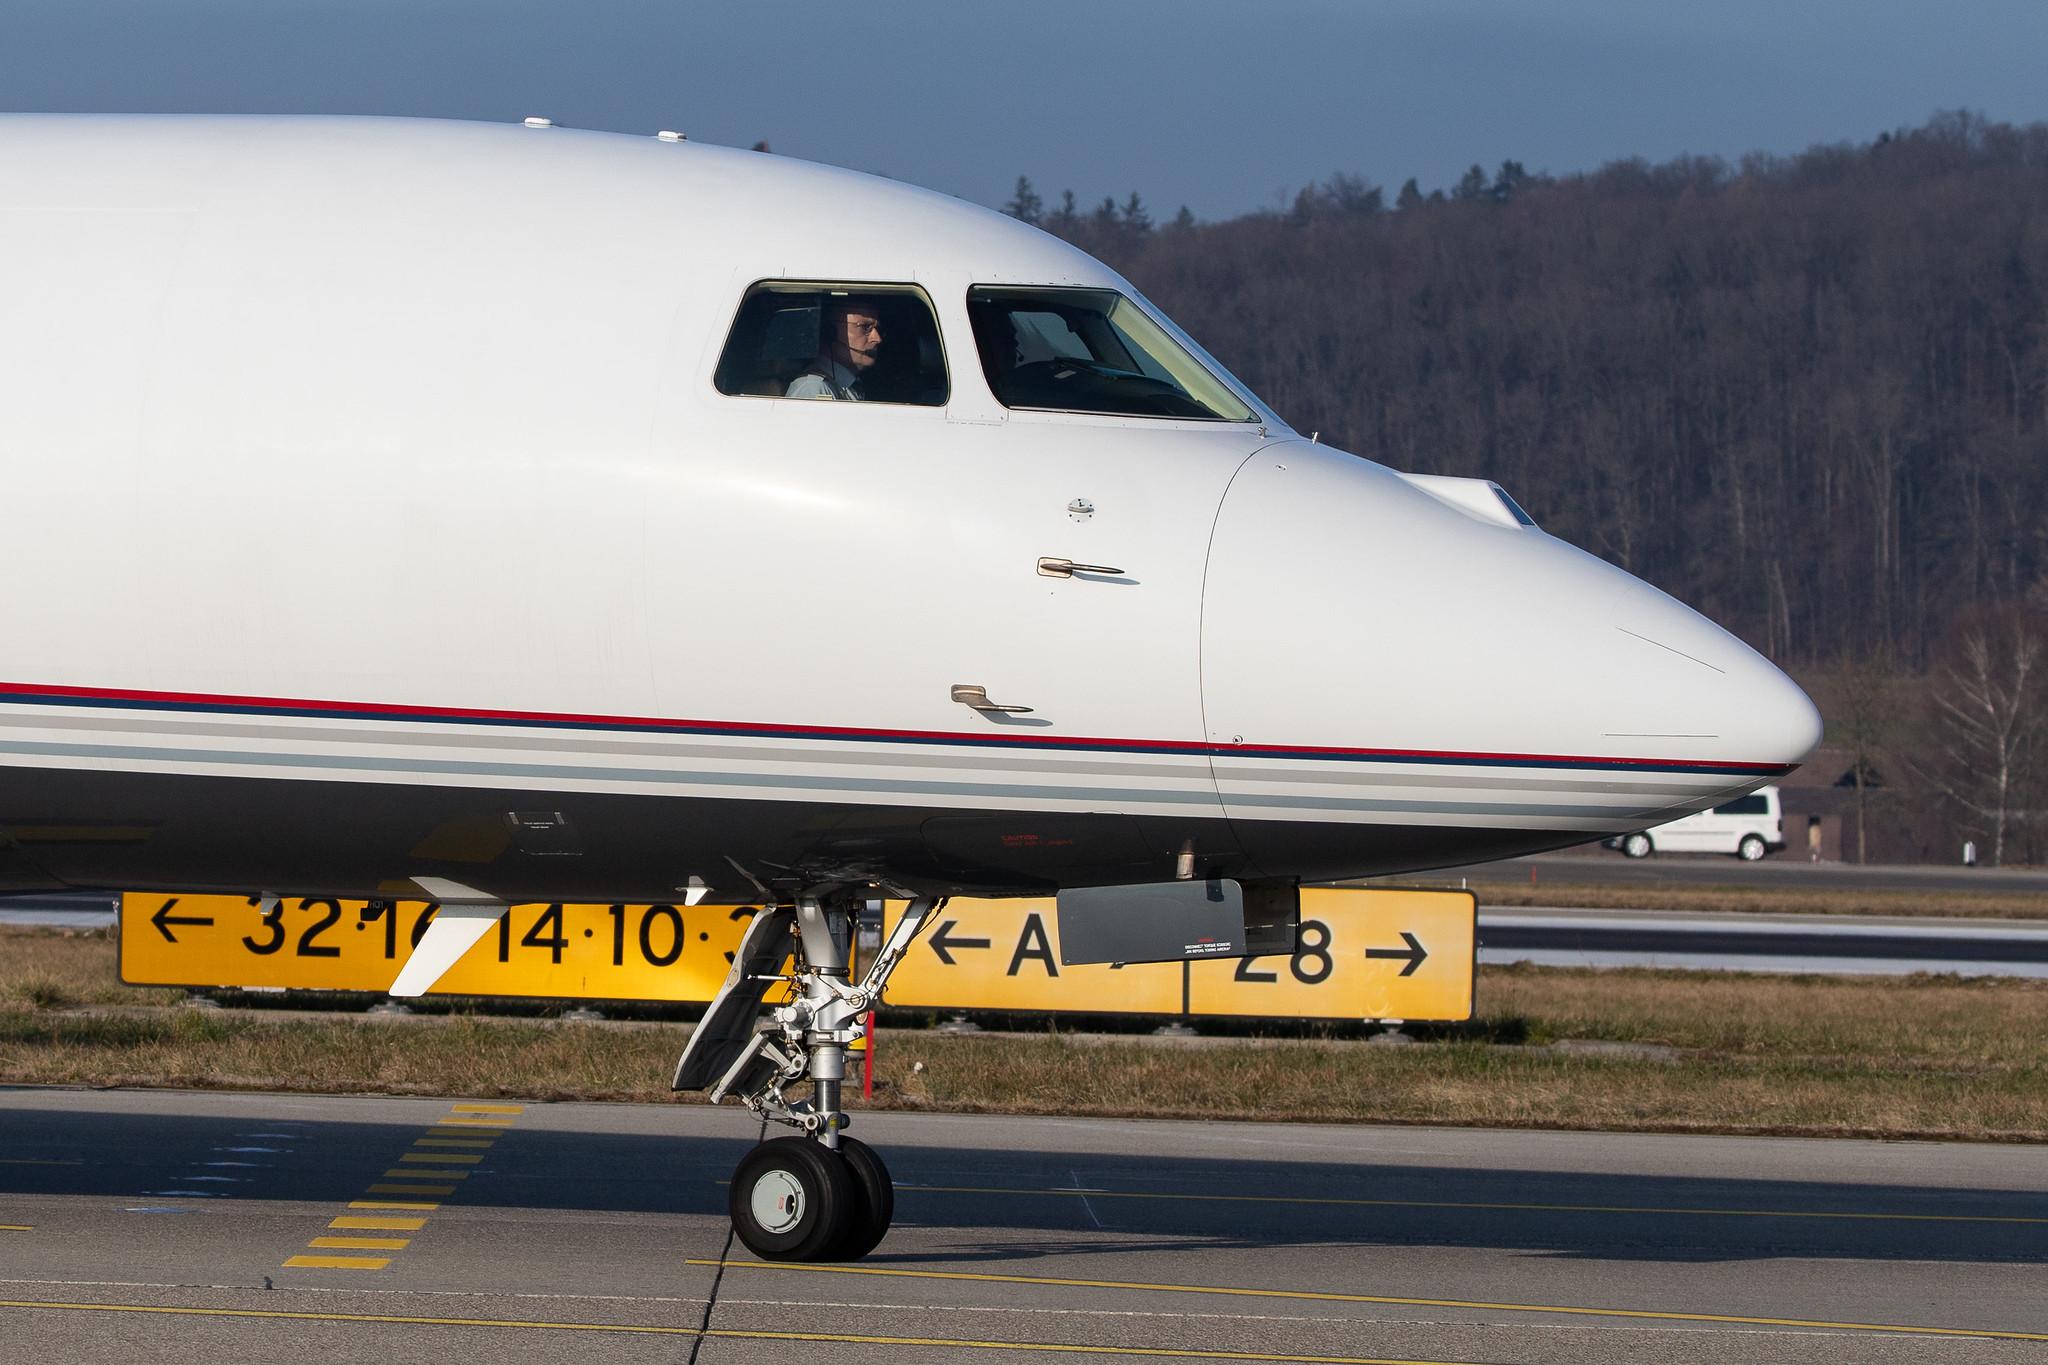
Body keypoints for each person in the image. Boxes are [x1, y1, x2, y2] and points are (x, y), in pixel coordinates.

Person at [786, 299, 883, 399]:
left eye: (877, 329)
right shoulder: (814, 388)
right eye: (865, 327)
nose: (877, 338)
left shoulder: (848, 386)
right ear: (829, 331)